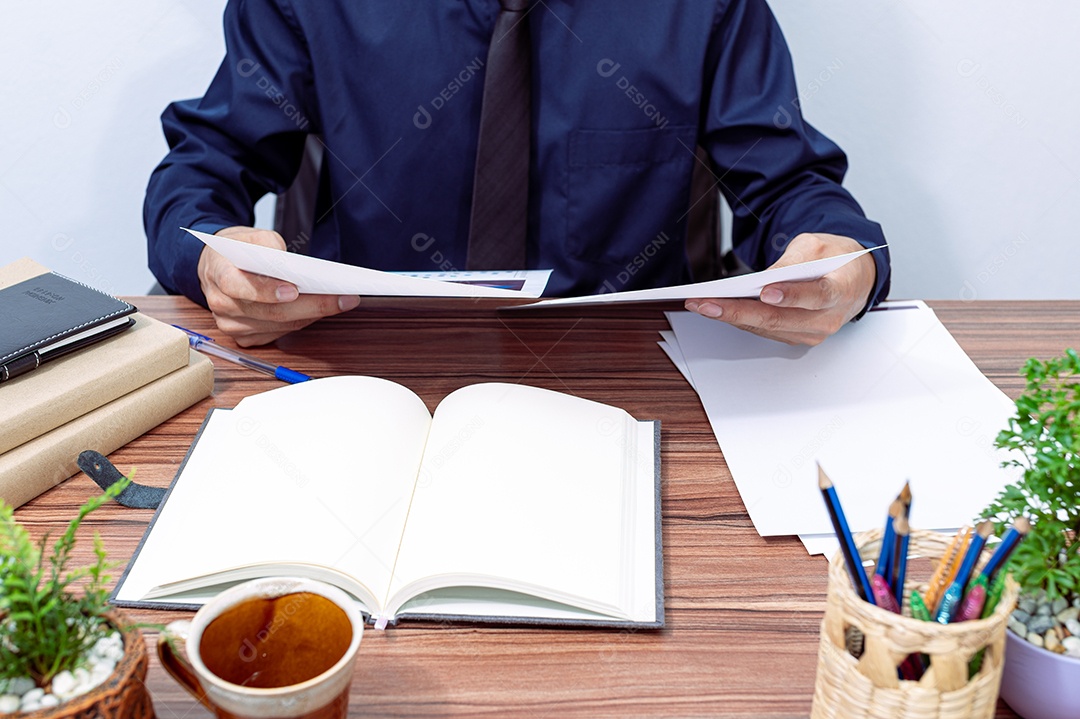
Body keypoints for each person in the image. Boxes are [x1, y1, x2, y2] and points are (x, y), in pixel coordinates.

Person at [145, 0, 890, 347]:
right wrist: (212, 253)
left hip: (639, 388)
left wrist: (845, 265)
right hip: (358, 374)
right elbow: (206, 168)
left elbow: (792, 189)